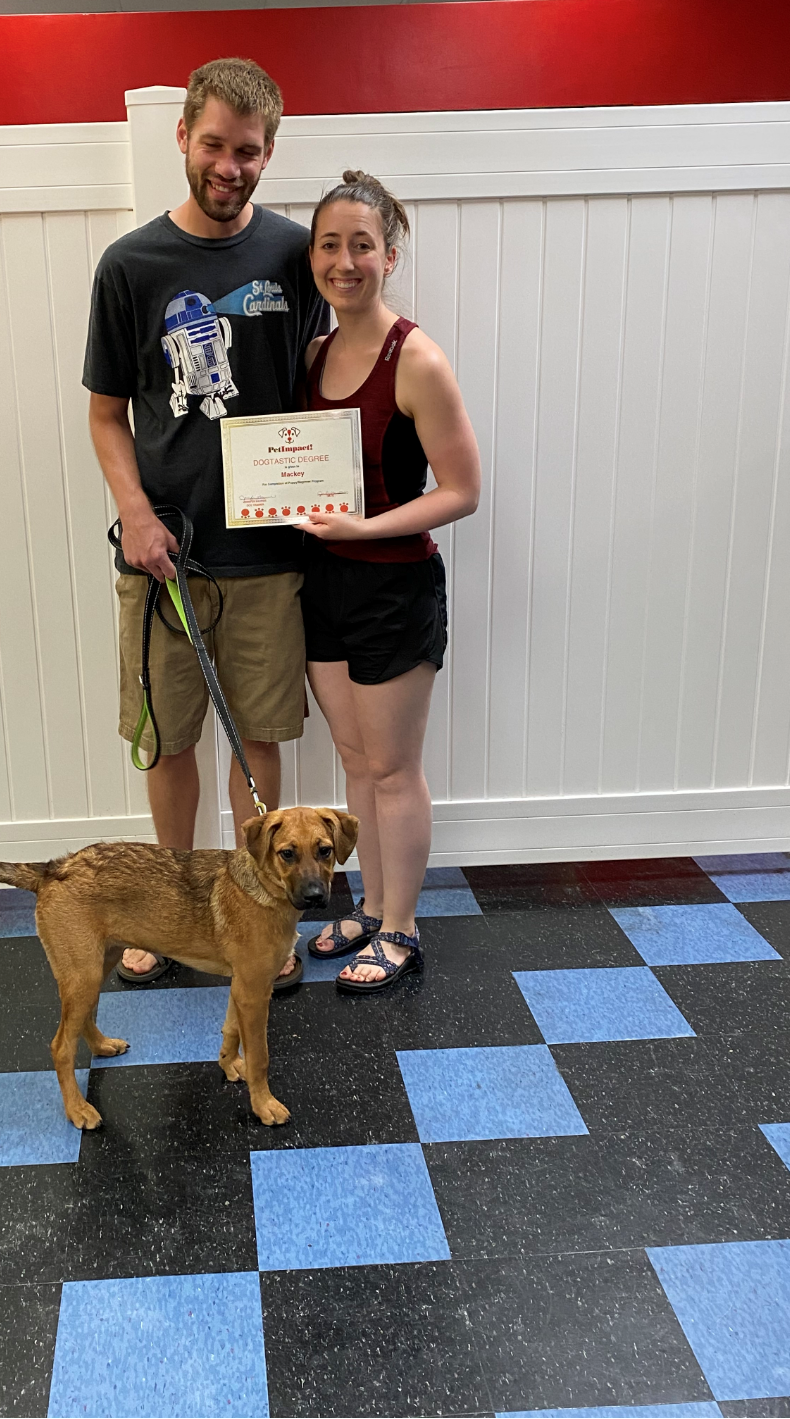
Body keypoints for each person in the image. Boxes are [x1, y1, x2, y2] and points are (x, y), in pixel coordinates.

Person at [83, 58, 327, 987]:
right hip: (164, 559)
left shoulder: (290, 255)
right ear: (183, 136)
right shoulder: (130, 265)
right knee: (168, 738)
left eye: (250, 151)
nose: (230, 166)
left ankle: (265, 920)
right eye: (216, 145)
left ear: (270, 152)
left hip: (267, 555)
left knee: (256, 740)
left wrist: (326, 491)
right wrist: (137, 518)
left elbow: (316, 386)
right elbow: (107, 412)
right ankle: (171, 910)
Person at [300, 171, 481, 992]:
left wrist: (364, 529)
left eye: (361, 245)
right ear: (313, 256)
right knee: (354, 758)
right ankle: (372, 906)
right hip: (322, 587)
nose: (345, 261)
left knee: (395, 768)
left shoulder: (417, 357)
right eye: (330, 244)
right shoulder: (311, 353)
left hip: (393, 588)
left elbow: (462, 490)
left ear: (389, 256)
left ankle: (402, 928)